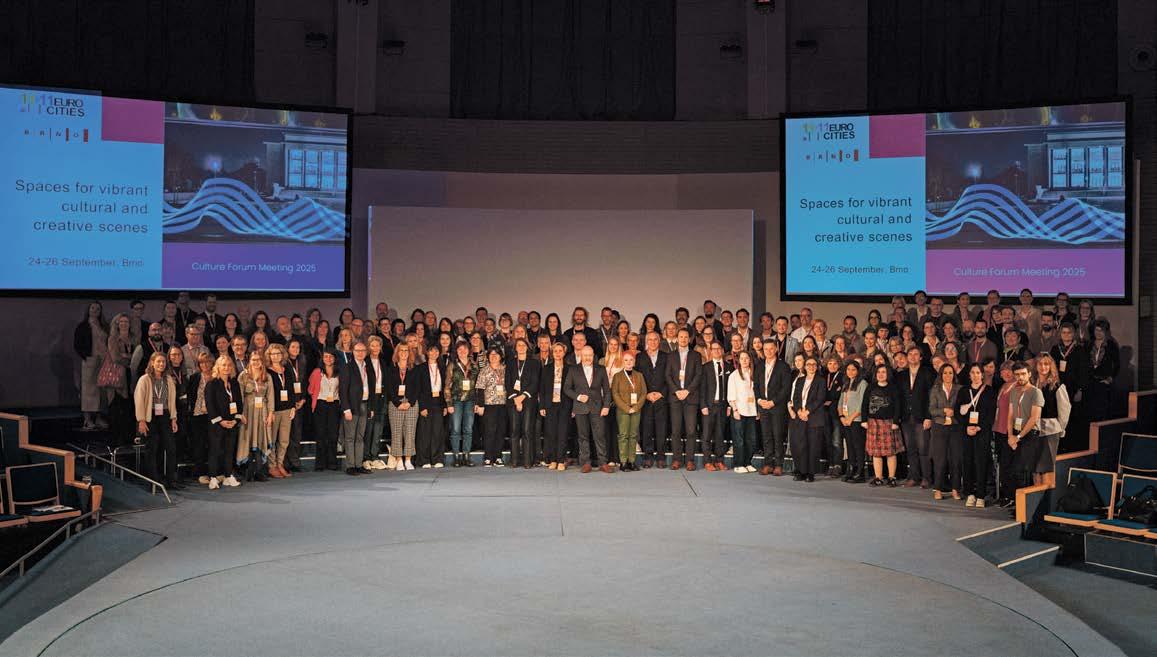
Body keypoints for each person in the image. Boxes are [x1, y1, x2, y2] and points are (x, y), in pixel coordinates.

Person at [134, 352, 182, 489]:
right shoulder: (144, 379)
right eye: (158, 361)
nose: (161, 364)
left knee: (171, 448)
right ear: (152, 363)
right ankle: (154, 481)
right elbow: (139, 401)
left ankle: (171, 480)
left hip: (165, 416)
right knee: (152, 449)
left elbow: (172, 401)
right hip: (150, 417)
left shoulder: (168, 379)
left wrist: (174, 418)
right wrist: (141, 420)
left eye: (163, 362)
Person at [564, 346, 613, 473]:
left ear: (593, 356)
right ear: (581, 355)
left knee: (600, 436)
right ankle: (585, 463)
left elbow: (607, 390)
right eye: (585, 355)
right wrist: (578, 397)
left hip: (598, 408)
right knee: (583, 436)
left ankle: (603, 463)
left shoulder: (601, 369)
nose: (587, 358)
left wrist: (606, 406)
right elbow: (567, 388)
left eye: (590, 355)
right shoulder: (573, 369)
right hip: (580, 408)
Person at [959, 363, 996, 508]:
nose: (975, 375)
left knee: (981, 463)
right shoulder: (963, 391)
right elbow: (958, 412)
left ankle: (981, 495)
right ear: (969, 375)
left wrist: (980, 426)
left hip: (983, 432)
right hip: (967, 432)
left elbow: (991, 413)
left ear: (982, 375)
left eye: (978, 373)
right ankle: (970, 493)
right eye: (972, 372)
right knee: (967, 462)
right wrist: (966, 427)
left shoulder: (989, 391)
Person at [861, 365, 904, 487]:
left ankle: (891, 477)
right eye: (878, 372)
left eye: (883, 372)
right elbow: (864, 404)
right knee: (876, 452)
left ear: (888, 374)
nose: (881, 374)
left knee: (891, 452)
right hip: (873, 422)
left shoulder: (893, 388)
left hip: (889, 422)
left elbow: (898, 405)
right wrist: (864, 420)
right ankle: (878, 478)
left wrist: (896, 421)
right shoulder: (871, 387)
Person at [898, 346, 935, 488]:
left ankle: (926, 478)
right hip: (906, 417)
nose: (913, 356)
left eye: (916, 354)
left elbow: (931, 396)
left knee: (923, 448)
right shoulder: (901, 375)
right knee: (911, 448)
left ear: (920, 357)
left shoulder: (927, 373)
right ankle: (914, 477)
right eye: (910, 354)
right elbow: (899, 397)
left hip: (922, 416)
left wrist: (928, 417)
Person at [205, 356, 243, 489]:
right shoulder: (212, 384)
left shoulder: (234, 383)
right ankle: (213, 477)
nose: (226, 368)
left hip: (232, 423)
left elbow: (239, 403)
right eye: (223, 365)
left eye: (228, 365)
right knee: (215, 450)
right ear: (218, 367)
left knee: (229, 450)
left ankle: (228, 476)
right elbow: (210, 405)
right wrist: (220, 421)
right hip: (217, 424)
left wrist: (235, 420)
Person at [1034, 355, 1071, 488]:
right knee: (1035, 467)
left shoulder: (1057, 386)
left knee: (1047, 466)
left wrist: (1061, 427)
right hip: (1033, 429)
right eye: (1040, 364)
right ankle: (1035, 495)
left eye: (1046, 364)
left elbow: (1065, 409)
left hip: (1050, 429)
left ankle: (1047, 496)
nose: (1043, 367)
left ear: (1051, 366)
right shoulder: (1032, 384)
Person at [755, 339, 791, 476]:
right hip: (763, 406)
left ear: (776, 349)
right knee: (766, 436)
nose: (768, 351)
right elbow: (756, 385)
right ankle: (768, 464)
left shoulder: (784, 366)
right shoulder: (759, 365)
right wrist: (759, 400)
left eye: (771, 348)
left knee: (777, 436)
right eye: (766, 349)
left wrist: (773, 402)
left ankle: (778, 465)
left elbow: (785, 388)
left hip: (777, 407)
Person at [1007, 361, 1044, 489]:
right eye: (1017, 374)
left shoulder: (1036, 392)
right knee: (1015, 471)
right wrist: (1010, 436)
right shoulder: (1013, 391)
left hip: (1030, 435)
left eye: (1023, 374)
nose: (1020, 377)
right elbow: (1010, 415)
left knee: (1027, 471)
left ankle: (1028, 501)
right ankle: (1017, 500)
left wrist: (1018, 437)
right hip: (1015, 433)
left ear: (1029, 374)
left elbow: (1034, 418)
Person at [237, 351, 273, 482]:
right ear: (249, 361)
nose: (256, 362)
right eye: (253, 360)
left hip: (262, 411)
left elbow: (271, 396)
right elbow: (239, 396)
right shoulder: (243, 376)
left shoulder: (267, 376)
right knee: (248, 439)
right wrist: (240, 414)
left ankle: (259, 471)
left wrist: (270, 414)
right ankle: (248, 471)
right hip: (247, 411)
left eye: (258, 360)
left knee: (260, 439)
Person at [788, 356, 826, 482]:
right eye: (808, 364)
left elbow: (820, 399)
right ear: (805, 366)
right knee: (801, 445)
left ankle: (810, 473)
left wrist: (807, 411)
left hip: (814, 417)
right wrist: (799, 411)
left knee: (813, 445)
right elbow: (795, 398)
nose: (811, 367)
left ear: (817, 367)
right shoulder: (800, 380)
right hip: (800, 416)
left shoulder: (821, 381)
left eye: (814, 364)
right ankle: (801, 471)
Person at [928, 364, 962, 501]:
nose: (948, 375)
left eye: (950, 373)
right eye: (945, 373)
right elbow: (932, 410)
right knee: (940, 460)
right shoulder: (935, 389)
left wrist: (955, 412)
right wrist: (943, 411)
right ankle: (938, 489)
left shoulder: (960, 389)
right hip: (939, 427)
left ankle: (955, 489)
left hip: (955, 427)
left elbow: (963, 408)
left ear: (954, 375)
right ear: (941, 375)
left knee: (956, 460)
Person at [505, 338, 541, 468]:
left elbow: (535, 383)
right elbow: (507, 382)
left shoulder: (535, 363)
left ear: (527, 347)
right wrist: (516, 399)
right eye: (518, 345)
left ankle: (527, 461)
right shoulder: (510, 363)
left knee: (527, 430)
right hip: (513, 401)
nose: (521, 347)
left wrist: (522, 397)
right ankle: (514, 460)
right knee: (514, 431)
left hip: (529, 401)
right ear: (515, 348)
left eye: (523, 345)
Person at [635, 332, 669, 468]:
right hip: (646, 398)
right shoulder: (639, 357)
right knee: (646, 428)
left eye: (655, 339)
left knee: (662, 429)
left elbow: (670, 376)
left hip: (661, 398)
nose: (653, 342)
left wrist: (661, 393)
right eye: (650, 339)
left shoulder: (666, 356)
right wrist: (646, 394)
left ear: (659, 341)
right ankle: (648, 457)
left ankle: (661, 457)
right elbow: (636, 377)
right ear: (646, 341)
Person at [75, 302, 110, 431]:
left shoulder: (104, 326)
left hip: (104, 360)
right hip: (90, 360)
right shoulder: (83, 326)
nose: (95, 310)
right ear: (88, 310)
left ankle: (99, 418)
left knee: (102, 391)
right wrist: (85, 356)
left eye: (98, 308)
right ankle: (87, 420)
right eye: (93, 308)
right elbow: (77, 344)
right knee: (89, 390)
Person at [383, 342, 418, 471]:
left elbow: (417, 388)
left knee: (410, 432)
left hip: (411, 404)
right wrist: (398, 403)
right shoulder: (390, 368)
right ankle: (398, 460)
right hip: (395, 404)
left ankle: (408, 459)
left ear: (409, 353)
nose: (403, 353)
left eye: (406, 350)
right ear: (397, 353)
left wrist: (410, 402)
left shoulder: (414, 368)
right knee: (396, 432)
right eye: (401, 350)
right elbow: (389, 388)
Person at [265, 343, 296, 479]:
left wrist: (293, 407)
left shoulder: (286, 370)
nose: (276, 356)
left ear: (282, 355)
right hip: (273, 411)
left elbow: (292, 389)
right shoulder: (267, 372)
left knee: (284, 440)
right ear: (269, 356)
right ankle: (272, 466)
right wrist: (269, 412)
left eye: (278, 353)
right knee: (271, 439)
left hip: (287, 410)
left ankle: (280, 464)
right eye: (273, 354)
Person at [611, 351, 646, 471]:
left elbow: (644, 393)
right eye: (626, 360)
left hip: (636, 409)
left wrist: (636, 407)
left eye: (631, 360)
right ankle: (623, 462)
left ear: (634, 362)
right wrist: (626, 408)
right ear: (622, 362)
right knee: (624, 435)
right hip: (623, 410)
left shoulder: (639, 375)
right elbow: (615, 394)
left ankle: (631, 461)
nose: (629, 362)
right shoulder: (617, 376)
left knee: (633, 435)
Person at [539, 342, 571, 470]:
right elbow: (542, 388)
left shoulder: (570, 368)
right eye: (555, 351)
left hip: (565, 405)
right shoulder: (547, 368)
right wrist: (542, 406)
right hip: (550, 405)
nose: (558, 353)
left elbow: (573, 388)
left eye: (560, 351)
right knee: (551, 433)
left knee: (562, 433)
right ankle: (553, 460)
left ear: (564, 352)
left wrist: (573, 408)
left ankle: (561, 460)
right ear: (552, 353)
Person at [309, 350, 342, 471]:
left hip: (334, 405)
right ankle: (320, 463)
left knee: (333, 434)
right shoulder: (317, 372)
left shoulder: (339, 372)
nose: (328, 359)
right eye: (326, 356)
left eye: (331, 356)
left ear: (335, 358)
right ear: (322, 359)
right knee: (321, 434)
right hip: (320, 404)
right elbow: (310, 389)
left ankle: (332, 462)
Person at [446, 341, 478, 467]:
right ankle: (456, 456)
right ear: (456, 351)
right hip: (456, 400)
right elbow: (447, 386)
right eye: (459, 349)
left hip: (470, 400)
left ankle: (466, 455)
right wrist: (449, 403)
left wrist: (478, 402)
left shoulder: (474, 365)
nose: (462, 351)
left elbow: (478, 385)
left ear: (469, 350)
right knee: (455, 429)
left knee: (468, 429)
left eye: (465, 349)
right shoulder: (452, 365)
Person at [416, 344, 448, 469]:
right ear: (427, 352)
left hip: (439, 401)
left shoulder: (442, 367)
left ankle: (437, 458)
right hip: (426, 402)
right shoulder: (421, 368)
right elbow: (418, 389)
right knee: (425, 432)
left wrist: (445, 405)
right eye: (431, 351)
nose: (434, 353)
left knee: (438, 431)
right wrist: (422, 406)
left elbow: (446, 388)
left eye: (436, 351)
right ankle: (424, 459)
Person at [475, 348, 508, 466]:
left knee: (500, 431)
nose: (494, 356)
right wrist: (480, 405)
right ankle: (488, 457)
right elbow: (480, 389)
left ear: (501, 356)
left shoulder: (505, 369)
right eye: (491, 354)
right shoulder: (484, 371)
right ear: (488, 357)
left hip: (503, 404)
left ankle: (498, 457)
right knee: (489, 431)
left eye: (496, 354)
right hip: (489, 405)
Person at [726, 351, 758, 473]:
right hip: (739, 410)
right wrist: (734, 409)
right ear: (738, 361)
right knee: (739, 440)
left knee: (751, 439)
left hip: (752, 411)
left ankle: (747, 462)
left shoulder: (754, 374)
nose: (744, 360)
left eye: (746, 358)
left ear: (750, 360)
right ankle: (738, 464)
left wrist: (758, 410)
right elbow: (731, 395)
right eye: (742, 358)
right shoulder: (734, 376)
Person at [837, 360, 868, 482]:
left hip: (856, 420)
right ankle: (851, 469)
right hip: (845, 420)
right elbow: (840, 402)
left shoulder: (862, 383)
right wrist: (842, 417)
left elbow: (862, 404)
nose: (850, 372)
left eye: (853, 370)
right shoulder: (846, 383)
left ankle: (860, 472)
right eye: (848, 369)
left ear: (858, 371)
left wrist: (851, 418)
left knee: (858, 446)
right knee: (849, 446)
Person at [187, 352, 214, 484]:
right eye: (202, 362)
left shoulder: (216, 376)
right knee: (199, 445)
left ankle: (214, 472)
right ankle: (200, 473)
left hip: (213, 415)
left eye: (207, 362)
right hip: (197, 415)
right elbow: (190, 395)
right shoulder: (195, 377)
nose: (205, 365)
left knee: (213, 444)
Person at [364, 336, 390, 470]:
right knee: (368, 429)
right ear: (369, 347)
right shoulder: (365, 362)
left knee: (378, 429)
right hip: (370, 399)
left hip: (382, 398)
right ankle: (366, 457)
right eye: (372, 345)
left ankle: (374, 456)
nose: (375, 348)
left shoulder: (383, 362)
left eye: (377, 345)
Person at [284, 339, 310, 473]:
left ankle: (295, 462)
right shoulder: (283, 363)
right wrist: (291, 403)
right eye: (293, 347)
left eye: (298, 347)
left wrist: (303, 399)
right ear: (287, 348)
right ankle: (285, 463)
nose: (295, 349)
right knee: (285, 435)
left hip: (300, 403)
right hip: (287, 403)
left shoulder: (302, 362)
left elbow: (304, 382)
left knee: (296, 434)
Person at [1087, 319, 1119, 422]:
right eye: (1096, 330)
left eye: (1101, 330)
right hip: (1090, 383)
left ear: (1106, 331)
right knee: (1090, 413)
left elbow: (1117, 365)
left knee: (1103, 413)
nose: (1098, 333)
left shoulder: (1111, 345)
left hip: (1104, 383)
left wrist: (1110, 379)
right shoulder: (1089, 345)